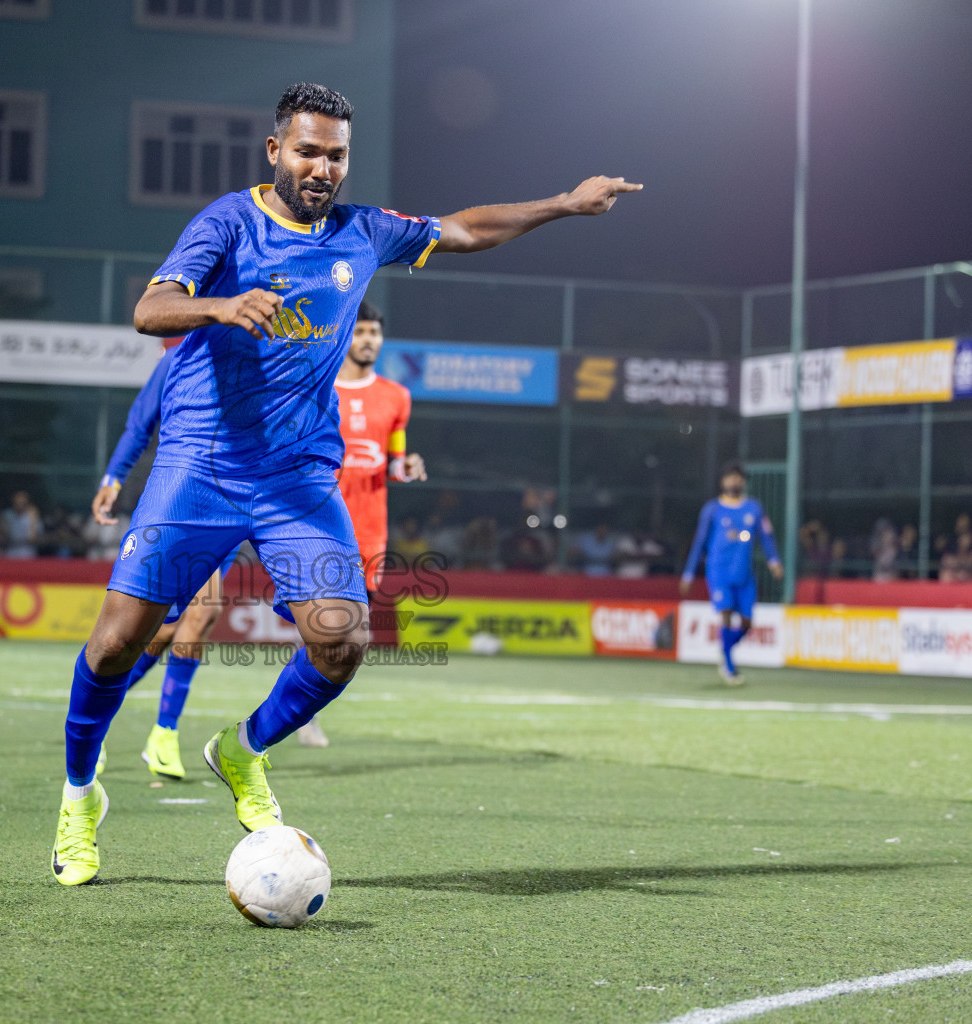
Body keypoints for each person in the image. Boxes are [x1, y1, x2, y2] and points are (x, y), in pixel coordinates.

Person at [49, 81, 640, 886]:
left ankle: (242, 749)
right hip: (200, 464)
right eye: (308, 151)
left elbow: (465, 230)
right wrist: (221, 307)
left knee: (341, 639)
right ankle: (80, 797)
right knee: (119, 641)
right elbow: (150, 310)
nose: (322, 167)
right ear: (275, 151)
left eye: (336, 155)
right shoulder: (228, 220)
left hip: (296, 477)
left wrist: (566, 205)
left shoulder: (365, 233)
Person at [89, 342, 235, 780]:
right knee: (160, 628)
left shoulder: (261, 354)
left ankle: (164, 735)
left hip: (230, 502)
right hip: (178, 499)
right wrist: (113, 479)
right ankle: (95, 717)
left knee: (203, 615)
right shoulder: (180, 357)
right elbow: (140, 422)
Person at [307, 299, 428, 747]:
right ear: (344, 335)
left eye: (374, 333)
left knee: (353, 632)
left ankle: (307, 705)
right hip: (319, 524)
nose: (368, 340)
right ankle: (302, 713)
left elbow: (394, 460)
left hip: (371, 530)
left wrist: (407, 466)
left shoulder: (397, 397)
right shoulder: (320, 388)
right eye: (359, 332)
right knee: (322, 621)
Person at [680, 462, 782, 686]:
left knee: (747, 623)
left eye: (737, 478)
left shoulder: (754, 508)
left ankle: (725, 648)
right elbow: (700, 541)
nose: (734, 481)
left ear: (743, 481)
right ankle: (729, 665)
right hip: (718, 571)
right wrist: (688, 573)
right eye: (729, 478)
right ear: (722, 482)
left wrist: (774, 560)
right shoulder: (712, 509)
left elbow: (765, 536)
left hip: (744, 574)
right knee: (725, 612)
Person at [4, 491, 42, 558]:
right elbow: (3, 534)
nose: (19, 505)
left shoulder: (32, 516)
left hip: (27, 554)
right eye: (17, 503)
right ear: (13, 502)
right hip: (10, 553)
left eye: (22, 503)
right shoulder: (7, 515)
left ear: (27, 503)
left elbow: (34, 537)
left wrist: (33, 519)